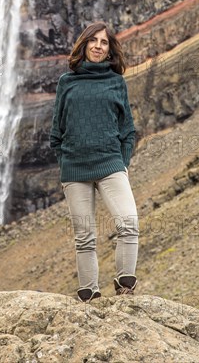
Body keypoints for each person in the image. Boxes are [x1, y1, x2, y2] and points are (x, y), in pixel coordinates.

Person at [49, 21, 139, 303]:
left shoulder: (116, 81)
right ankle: (90, 294)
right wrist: (67, 158)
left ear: (110, 49)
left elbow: (128, 130)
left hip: (110, 164)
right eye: (94, 41)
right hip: (75, 170)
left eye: (104, 42)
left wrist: (121, 163)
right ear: (84, 44)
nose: (98, 46)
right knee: (85, 237)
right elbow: (56, 131)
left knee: (129, 223)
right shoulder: (67, 82)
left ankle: (125, 286)